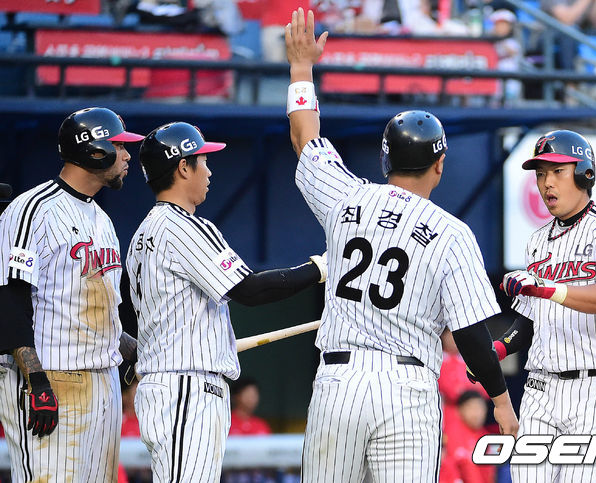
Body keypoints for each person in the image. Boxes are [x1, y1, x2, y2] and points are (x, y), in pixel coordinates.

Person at [285, 9, 519, 482]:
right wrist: (500, 399)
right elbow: (471, 336)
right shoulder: (451, 233)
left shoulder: (346, 196)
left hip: (338, 381)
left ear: (385, 159)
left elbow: (303, 135)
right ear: (440, 163)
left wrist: (301, 68)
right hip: (407, 388)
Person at [126, 121, 327, 482]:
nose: (209, 171)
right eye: (203, 161)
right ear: (183, 167)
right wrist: (319, 270)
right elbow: (250, 290)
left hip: (174, 382)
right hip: (186, 386)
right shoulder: (183, 226)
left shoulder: (143, 232)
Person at [488, 130, 596, 482]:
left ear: (585, 173)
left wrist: (546, 288)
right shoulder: (536, 242)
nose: (547, 183)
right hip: (541, 388)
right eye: (541, 173)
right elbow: (530, 321)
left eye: (558, 171)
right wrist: (497, 349)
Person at [0, 107, 143, 482]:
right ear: (95, 150)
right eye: (120, 146)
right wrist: (38, 383)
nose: (127, 155)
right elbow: (11, 300)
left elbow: (92, 311)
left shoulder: (102, 219)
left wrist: (136, 348)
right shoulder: (33, 209)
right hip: (52, 378)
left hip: (104, 381)